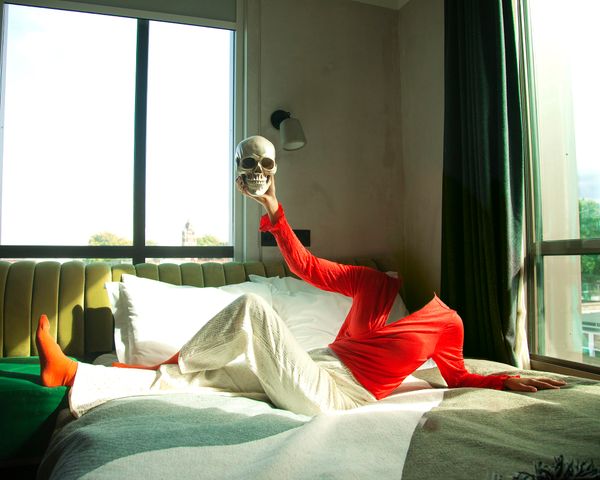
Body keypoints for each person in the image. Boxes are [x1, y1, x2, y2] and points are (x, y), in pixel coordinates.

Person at [36, 176, 565, 418]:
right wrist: (273, 207)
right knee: (210, 378)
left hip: (341, 396)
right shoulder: (372, 282)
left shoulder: (448, 324)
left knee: (251, 310)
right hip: (312, 366)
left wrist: (505, 378)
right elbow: (305, 266)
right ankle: (76, 374)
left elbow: (458, 376)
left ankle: (169, 361)